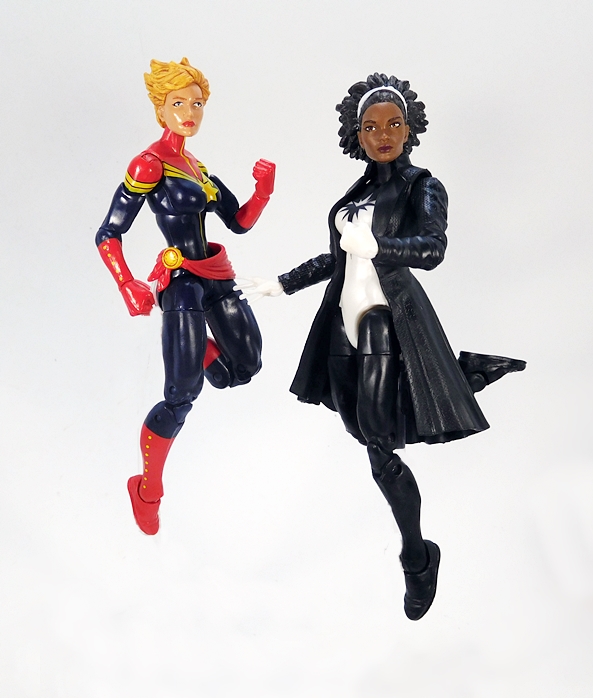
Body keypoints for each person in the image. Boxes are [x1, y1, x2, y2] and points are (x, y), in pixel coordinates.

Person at [244, 73, 524, 620]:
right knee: (364, 436)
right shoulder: (353, 196)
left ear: (410, 128)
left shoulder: (423, 186)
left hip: (385, 315)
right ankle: (460, 375)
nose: (384, 135)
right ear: (357, 135)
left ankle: (416, 558)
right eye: (371, 127)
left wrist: (378, 245)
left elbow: (433, 249)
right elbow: (336, 259)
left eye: (394, 124)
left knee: (378, 437)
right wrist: (281, 283)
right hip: (341, 317)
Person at [96, 58, 275, 535]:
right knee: (181, 394)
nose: (189, 113)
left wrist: (263, 191)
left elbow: (238, 221)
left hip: (215, 272)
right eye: (179, 103)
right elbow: (109, 232)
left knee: (245, 366)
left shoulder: (198, 168)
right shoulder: (149, 164)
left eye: (196, 104)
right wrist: (127, 282)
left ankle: (199, 350)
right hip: (180, 282)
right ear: (160, 108)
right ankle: (147, 489)